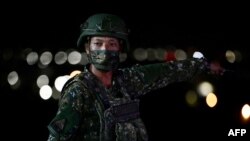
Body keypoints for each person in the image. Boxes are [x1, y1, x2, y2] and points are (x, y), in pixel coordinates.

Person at [47, 13, 210, 141]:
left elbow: (167, 71)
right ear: (87, 48)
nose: (104, 50)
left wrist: (201, 64)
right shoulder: (78, 91)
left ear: (120, 48)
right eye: (98, 43)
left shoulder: (127, 81)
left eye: (111, 44)